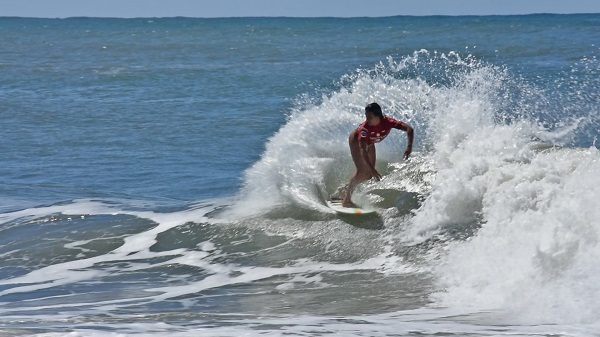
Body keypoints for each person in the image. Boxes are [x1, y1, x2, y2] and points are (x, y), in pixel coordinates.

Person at [341, 102, 414, 207]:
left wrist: (409, 147)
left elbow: (409, 129)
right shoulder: (364, 129)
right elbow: (363, 151)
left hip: (370, 143)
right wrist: (372, 168)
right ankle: (346, 200)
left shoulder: (388, 122)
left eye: (370, 117)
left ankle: (345, 189)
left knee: (368, 176)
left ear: (378, 116)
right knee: (362, 172)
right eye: (366, 116)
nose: (367, 119)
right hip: (357, 142)